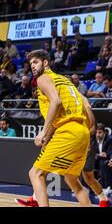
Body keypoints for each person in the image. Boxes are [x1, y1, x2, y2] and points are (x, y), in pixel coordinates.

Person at [26, 50, 91, 207]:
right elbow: (87, 104)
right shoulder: (64, 80)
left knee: (36, 173)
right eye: (30, 64)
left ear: (46, 63)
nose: (32, 66)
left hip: (68, 131)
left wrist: (43, 131)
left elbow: (56, 102)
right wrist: (88, 129)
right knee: (71, 179)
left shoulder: (43, 79)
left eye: (35, 62)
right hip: (82, 131)